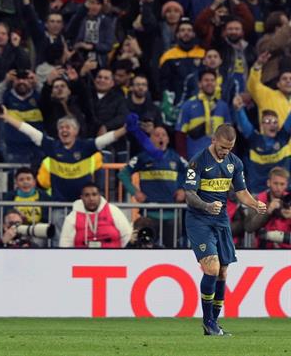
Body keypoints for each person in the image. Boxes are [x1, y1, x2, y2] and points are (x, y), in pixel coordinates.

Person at [183, 123, 267, 336]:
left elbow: (241, 192)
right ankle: (207, 321)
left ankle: (214, 322)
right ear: (213, 140)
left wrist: (255, 204)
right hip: (199, 220)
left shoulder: (234, 163)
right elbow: (190, 195)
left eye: (228, 149)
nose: (224, 152)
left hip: (220, 221)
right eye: (222, 147)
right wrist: (207, 205)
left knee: (222, 271)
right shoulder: (197, 162)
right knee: (211, 268)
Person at [119, 125, 188, 247]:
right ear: (150, 140)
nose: (160, 137)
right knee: (144, 248)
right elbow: (123, 174)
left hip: (172, 213)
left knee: (173, 251)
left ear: (168, 139)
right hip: (149, 214)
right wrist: (134, 192)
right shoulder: (142, 157)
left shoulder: (176, 157)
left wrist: (184, 189)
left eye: (163, 135)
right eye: (156, 135)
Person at [232, 95, 291, 193]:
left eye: (275, 122)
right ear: (261, 125)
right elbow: (244, 123)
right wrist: (239, 109)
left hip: (283, 192)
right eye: (267, 121)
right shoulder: (254, 138)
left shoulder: (283, 137)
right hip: (257, 192)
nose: (272, 124)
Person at [175, 69, 232, 159]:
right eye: (206, 80)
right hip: (196, 159)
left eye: (212, 80)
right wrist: (183, 158)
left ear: (216, 83)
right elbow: (180, 134)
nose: (209, 83)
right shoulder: (188, 105)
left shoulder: (223, 106)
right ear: (199, 84)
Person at [59, 183, 132, 248]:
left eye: (94, 194)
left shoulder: (112, 210)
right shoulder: (72, 217)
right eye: (87, 195)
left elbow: (127, 235)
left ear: (99, 196)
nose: (91, 199)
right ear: (81, 198)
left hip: (113, 259)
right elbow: (65, 243)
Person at [243, 167, 291, 249]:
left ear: (287, 184)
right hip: (263, 249)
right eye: (275, 183)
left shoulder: (289, 199)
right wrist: (267, 211)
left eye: (282, 184)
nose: (279, 188)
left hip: (287, 248)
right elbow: (249, 227)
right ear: (268, 183)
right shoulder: (257, 199)